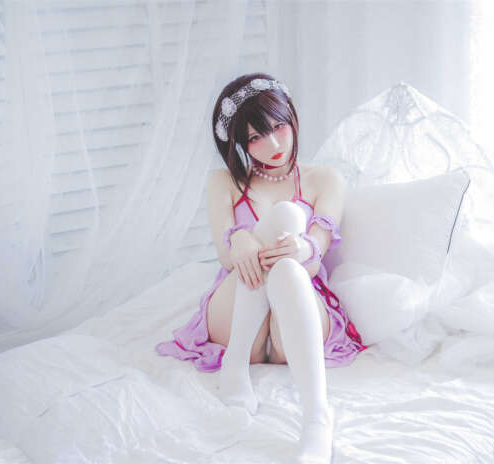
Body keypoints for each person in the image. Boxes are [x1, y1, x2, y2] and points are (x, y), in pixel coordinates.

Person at [155, 72, 368, 463]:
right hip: (238, 315)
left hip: (295, 314)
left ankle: (316, 418)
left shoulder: (325, 179)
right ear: (238, 143)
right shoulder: (224, 182)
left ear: (293, 118)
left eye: (278, 127)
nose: (273, 145)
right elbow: (227, 258)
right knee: (282, 222)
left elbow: (318, 247)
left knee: (287, 248)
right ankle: (237, 362)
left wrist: (302, 247)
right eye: (255, 137)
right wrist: (239, 239)